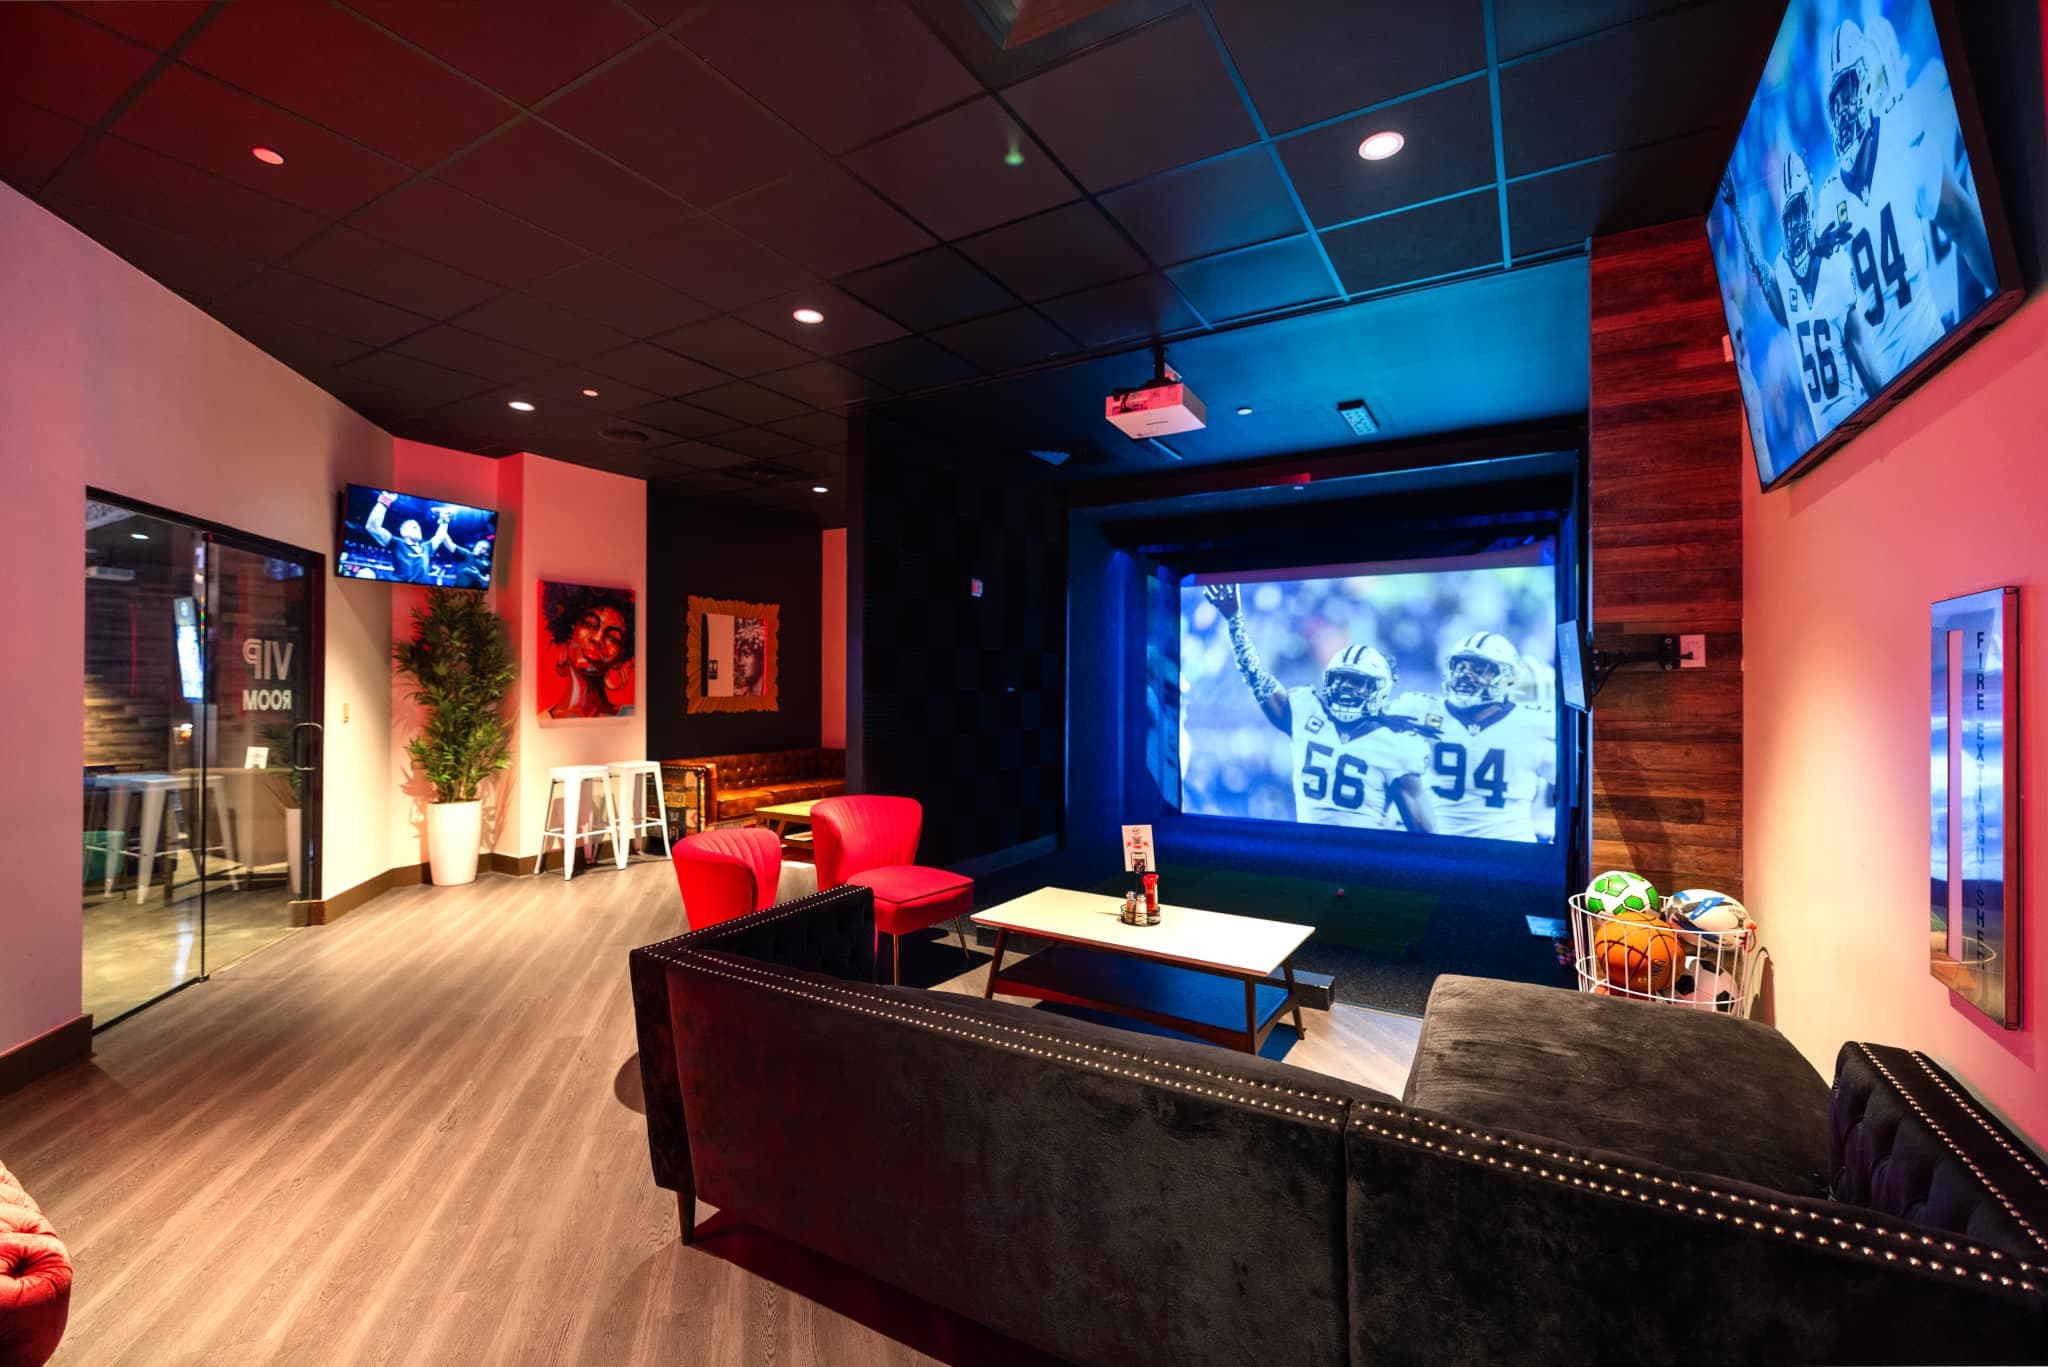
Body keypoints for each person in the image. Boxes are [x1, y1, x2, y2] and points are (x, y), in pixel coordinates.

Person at [1817, 19, 1991, 391]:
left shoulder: (1907, 126)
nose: (1843, 110)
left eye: (1849, 92)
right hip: (1895, 383)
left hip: (1943, 331)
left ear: (1870, 80)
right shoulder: (1829, 199)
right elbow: (1850, 331)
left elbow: (1962, 222)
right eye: (1836, 100)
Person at [1202, 583, 1435, 833]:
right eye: (1339, 679)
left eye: (1356, 682)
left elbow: (1425, 838)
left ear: (1379, 690)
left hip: (1362, 854)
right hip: (1308, 848)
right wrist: (1235, 621)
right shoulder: (1306, 710)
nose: (1345, 688)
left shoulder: (1397, 746)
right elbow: (1256, 678)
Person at [1721, 150, 1862, 443]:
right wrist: (1737, 211)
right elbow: (1761, 273)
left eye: (1799, 210)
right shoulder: (1785, 271)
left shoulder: (1834, 257)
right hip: (1826, 435)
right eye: (1790, 216)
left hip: (1858, 408)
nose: (1796, 223)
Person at [1389, 632, 1556, 843]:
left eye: (1479, 669)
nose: (1465, 675)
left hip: (1510, 848)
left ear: (1507, 677)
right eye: (1460, 666)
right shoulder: (1417, 709)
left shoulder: (1535, 724)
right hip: (1438, 844)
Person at [541, 583, 635, 719]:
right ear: (570, 635)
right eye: (590, 624)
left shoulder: (632, 716)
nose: (597, 639)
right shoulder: (540, 721)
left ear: (619, 659)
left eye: (613, 638)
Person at [362, 491, 437, 584]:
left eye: (419, 527)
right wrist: (385, 500)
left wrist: (444, 520)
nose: (418, 529)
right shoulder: (397, 543)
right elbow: (372, 527)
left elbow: (439, 537)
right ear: (403, 532)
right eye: (414, 527)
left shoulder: (426, 547)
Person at [429, 521, 492, 591]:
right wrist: (444, 523)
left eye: (483, 548)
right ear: (475, 547)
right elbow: (449, 543)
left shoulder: (489, 564)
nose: (480, 549)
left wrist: (479, 576)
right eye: (479, 546)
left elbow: (488, 582)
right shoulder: (466, 554)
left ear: (487, 553)